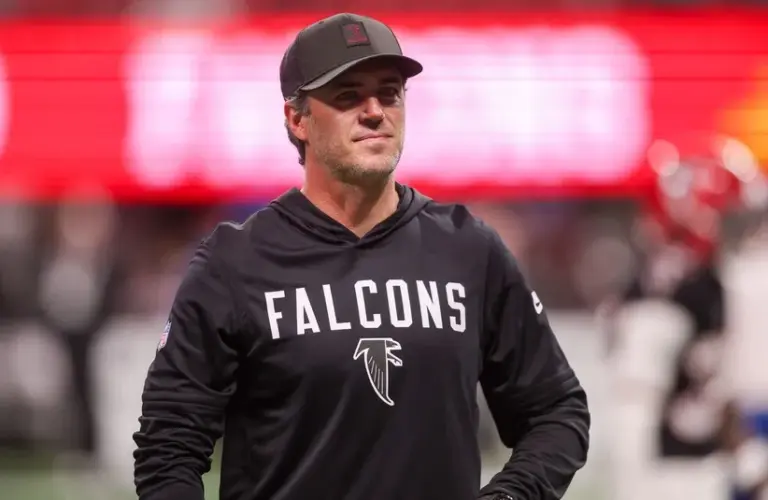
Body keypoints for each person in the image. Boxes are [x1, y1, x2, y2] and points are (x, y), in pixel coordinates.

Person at [132, 12, 590, 500]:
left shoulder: (468, 249)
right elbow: (169, 446)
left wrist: (513, 495)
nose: (375, 111)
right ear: (296, 118)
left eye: (389, 93)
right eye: (348, 96)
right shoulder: (236, 263)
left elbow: (556, 412)